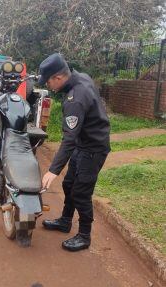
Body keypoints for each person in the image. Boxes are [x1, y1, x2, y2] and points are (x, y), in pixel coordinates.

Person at [39, 53, 110, 251]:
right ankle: (65, 221)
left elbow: (68, 139)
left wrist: (53, 170)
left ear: (58, 78)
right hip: (83, 143)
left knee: (81, 192)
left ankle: (84, 236)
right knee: (70, 184)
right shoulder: (80, 77)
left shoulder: (75, 100)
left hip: (93, 149)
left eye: (48, 82)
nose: (48, 86)